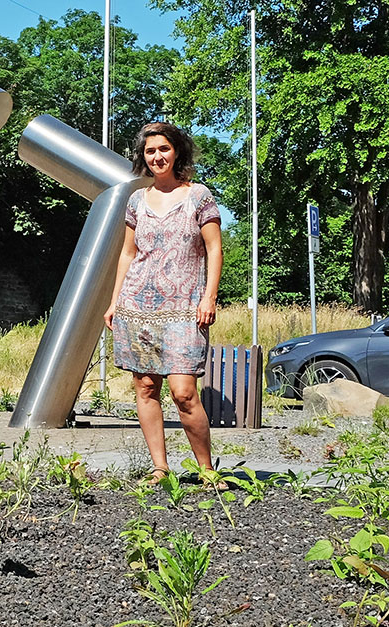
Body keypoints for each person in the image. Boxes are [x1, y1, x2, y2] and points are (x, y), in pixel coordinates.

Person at [103, 121, 223, 484]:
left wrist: (210, 296)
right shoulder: (136, 200)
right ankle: (160, 468)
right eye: (150, 151)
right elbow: (127, 254)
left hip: (186, 308)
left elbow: (215, 249)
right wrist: (113, 302)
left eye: (163, 149)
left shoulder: (199, 196)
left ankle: (206, 470)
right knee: (145, 387)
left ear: (177, 151)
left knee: (184, 392)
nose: (157, 156)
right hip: (137, 308)